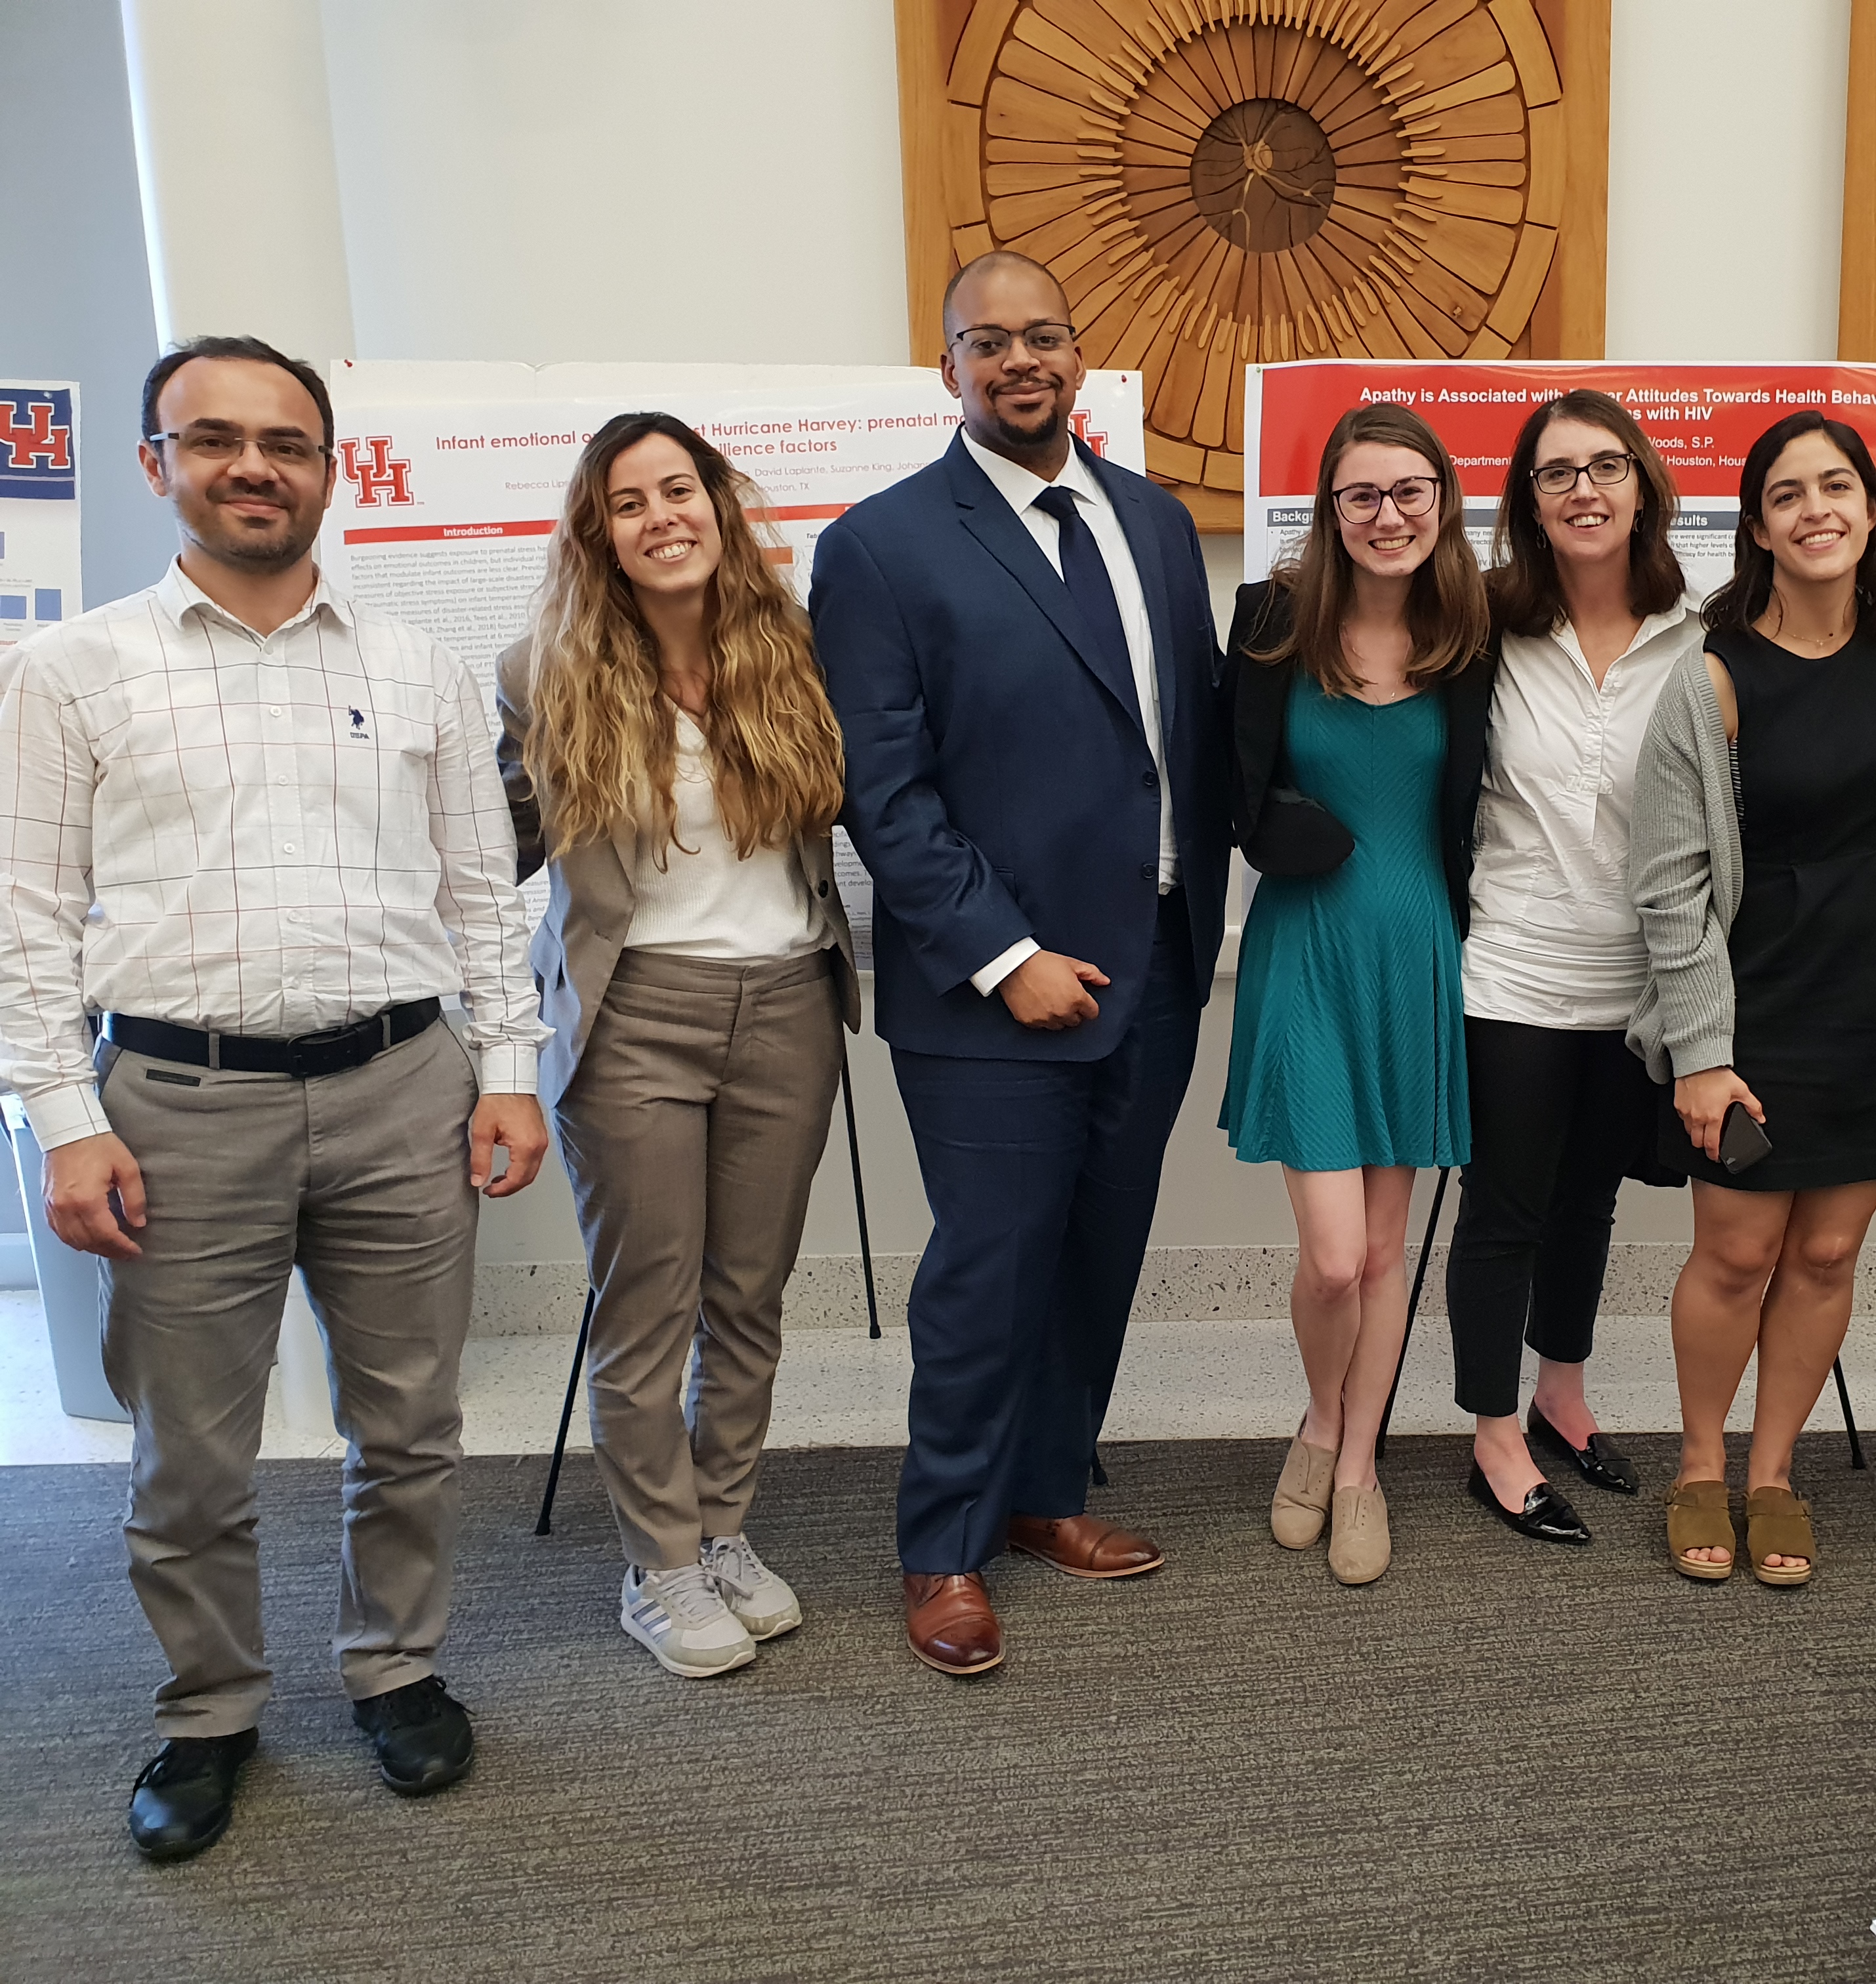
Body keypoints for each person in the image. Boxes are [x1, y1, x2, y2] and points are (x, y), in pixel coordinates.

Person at [0, 337, 549, 1861]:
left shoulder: (418, 668)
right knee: (190, 1452)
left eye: (288, 442)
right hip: (175, 1105)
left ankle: (397, 1668)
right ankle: (208, 1710)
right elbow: (22, 918)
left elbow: (484, 897)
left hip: (402, 1089)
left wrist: (508, 1074)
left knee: (412, 1424)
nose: (256, 466)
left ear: (330, 467)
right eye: (217, 439)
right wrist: (64, 1117)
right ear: (155, 463)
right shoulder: (66, 672)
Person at [809, 252, 1226, 1676]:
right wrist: (1003, 954)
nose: (1018, 362)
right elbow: (888, 792)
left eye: (1042, 336)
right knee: (988, 1273)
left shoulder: (1158, 526)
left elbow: (1185, 737)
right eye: (987, 344)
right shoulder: (878, 546)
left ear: (1080, 354)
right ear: (949, 371)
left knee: (1099, 1256)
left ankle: (1048, 1491)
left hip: (1156, 967)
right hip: (996, 995)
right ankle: (943, 1546)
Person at [497, 413, 855, 1679]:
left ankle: (720, 1530)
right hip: (636, 1013)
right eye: (628, 502)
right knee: (648, 1311)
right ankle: (659, 1565)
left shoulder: (802, 651)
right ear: (597, 535)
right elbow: (490, 865)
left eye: (679, 490)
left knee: (748, 1300)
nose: (662, 518)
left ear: (719, 502)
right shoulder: (541, 674)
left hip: (791, 1006)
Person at [1629, 412, 1876, 1585]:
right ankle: (1699, 1467)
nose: (1816, 509)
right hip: (1755, 1010)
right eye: (1788, 494)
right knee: (1735, 1256)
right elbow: (1670, 891)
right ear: (1758, 527)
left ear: (1871, 509)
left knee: (1827, 1255)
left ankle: (1775, 1474)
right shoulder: (1710, 676)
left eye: (1838, 487)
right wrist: (1700, 1053)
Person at [1224, 403, 1488, 1586]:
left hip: (1418, 952)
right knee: (1333, 1258)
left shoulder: (1473, 633)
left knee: (1385, 1252)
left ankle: (1357, 1463)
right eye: (1363, 496)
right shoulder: (1274, 621)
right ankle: (1322, 1420)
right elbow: (1233, 795)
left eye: (1410, 493)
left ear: (1443, 501)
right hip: (1310, 952)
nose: (1389, 517)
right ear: (1331, 511)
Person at [1445, 390, 1697, 1547]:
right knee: (1506, 1207)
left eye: (1605, 467)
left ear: (1642, 484)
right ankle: (1494, 1432)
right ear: (1529, 502)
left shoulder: (1700, 631)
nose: (1584, 489)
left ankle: (1563, 1392)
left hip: (1643, 978)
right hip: (1514, 968)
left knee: (1588, 1201)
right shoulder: (1485, 626)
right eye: (1557, 473)